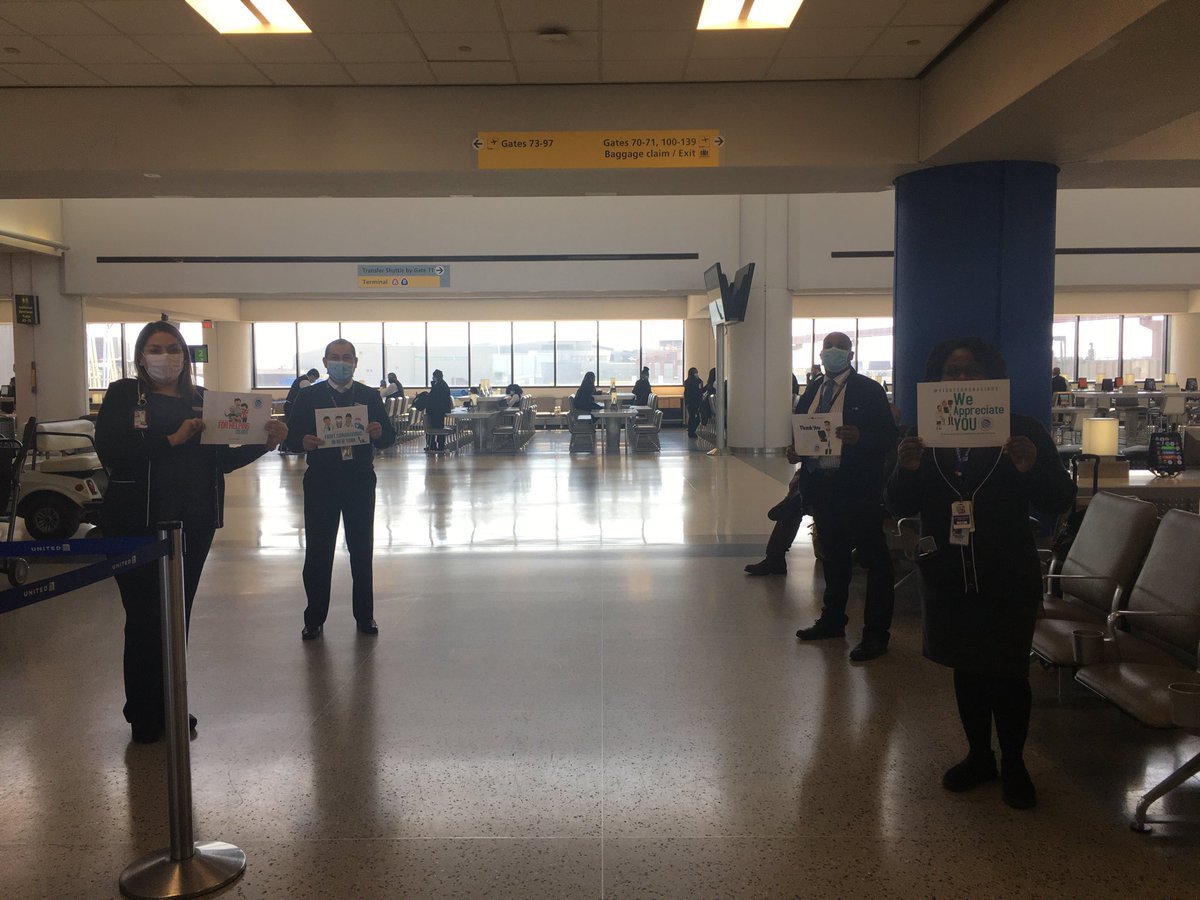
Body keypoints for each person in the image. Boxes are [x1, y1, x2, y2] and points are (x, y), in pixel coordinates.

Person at [888, 337, 1074, 809]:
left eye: (971, 370)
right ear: (937, 379)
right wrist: (906, 469)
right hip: (948, 574)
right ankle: (979, 756)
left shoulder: (1022, 432)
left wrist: (1031, 468)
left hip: (1007, 572)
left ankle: (1014, 762)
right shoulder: (922, 436)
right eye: (952, 370)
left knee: (1009, 674)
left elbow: (1059, 500)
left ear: (991, 378)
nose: (961, 379)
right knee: (967, 669)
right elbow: (897, 505)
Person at [96, 320, 287, 743]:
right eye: (156, 348)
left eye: (173, 348)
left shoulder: (203, 400)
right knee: (145, 619)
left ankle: (172, 704)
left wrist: (263, 444)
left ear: (185, 355)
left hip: (193, 523)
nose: (166, 356)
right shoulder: (126, 394)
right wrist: (172, 439)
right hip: (136, 523)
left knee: (176, 617)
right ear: (142, 356)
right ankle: (143, 712)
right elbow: (114, 452)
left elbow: (220, 461)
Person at [745, 332, 897, 663]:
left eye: (838, 347)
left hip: (858, 488)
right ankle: (832, 620)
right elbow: (802, 428)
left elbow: (888, 437)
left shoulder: (868, 390)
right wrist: (795, 452)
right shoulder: (813, 389)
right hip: (822, 486)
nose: (831, 353)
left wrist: (861, 436)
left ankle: (875, 633)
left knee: (875, 559)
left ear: (850, 353)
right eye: (826, 347)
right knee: (834, 556)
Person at [284, 339, 396, 640]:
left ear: (356, 363)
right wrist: (302, 442)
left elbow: (389, 439)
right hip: (321, 481)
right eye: (335, 358)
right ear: (325, 362)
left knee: (362, 549)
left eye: (347, 358)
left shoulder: (369, 396)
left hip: (359, 480)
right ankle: (314, 617)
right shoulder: (309, 396)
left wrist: (379, 432)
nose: (341, 363)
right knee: (319, 551)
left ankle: (365, 615)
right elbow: (290, 438)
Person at [424, 368, 454, 452]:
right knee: (438, 426)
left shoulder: (439, 386)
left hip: (437, 411)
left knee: (435, 427)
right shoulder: (442, 384)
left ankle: (434, 445)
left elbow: (434, 397)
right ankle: (436, 444)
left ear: (435, 377)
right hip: (439, 411)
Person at [683, 367, 704, 438]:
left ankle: (691, 430)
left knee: (692, 417)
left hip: (691, 402)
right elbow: (698, 391)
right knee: (695, 417)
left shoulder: (689, 382)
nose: (697, 374)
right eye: (695, 373)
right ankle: (692, 431)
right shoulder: (694, 382)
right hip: (694, 402)